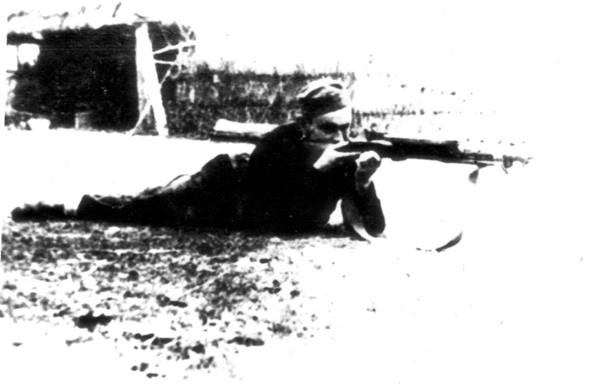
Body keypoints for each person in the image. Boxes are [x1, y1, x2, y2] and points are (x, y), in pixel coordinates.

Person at [12, 78, 385, 238]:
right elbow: (269, 209)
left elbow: (376, 227)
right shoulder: (281, 141)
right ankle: (64, 207)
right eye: (329, 128)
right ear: (305, 124)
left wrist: (362, 182)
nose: (340, 137)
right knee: (143, 206)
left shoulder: (345, 158)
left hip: (239, 208)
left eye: (346, 127)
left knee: (147, 202)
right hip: (221, 188)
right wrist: (321, 167)